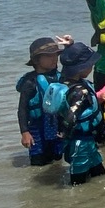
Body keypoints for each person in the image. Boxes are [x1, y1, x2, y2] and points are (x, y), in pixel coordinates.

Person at [55, 42, 105, 185]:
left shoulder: (65, 81)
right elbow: (71, 116)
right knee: (78, 180)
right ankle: (78, 203)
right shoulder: (80, 93)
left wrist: (70, 46)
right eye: (89, 64)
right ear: (80, 68)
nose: (91, 67)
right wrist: (63, 134)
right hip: (81, 142)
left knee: (99, 173)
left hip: (88, 140)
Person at [16, 38, 64, 166]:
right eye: (49, 56)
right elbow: (22, 109)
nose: (54, 58)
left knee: (58, 161)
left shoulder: (61, 78)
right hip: (37, 128)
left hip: (57, 127)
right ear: (36, 60)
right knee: (38, 162)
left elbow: (76, 62)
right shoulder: (30, 82)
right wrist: (25, 132)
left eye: (55, 55)